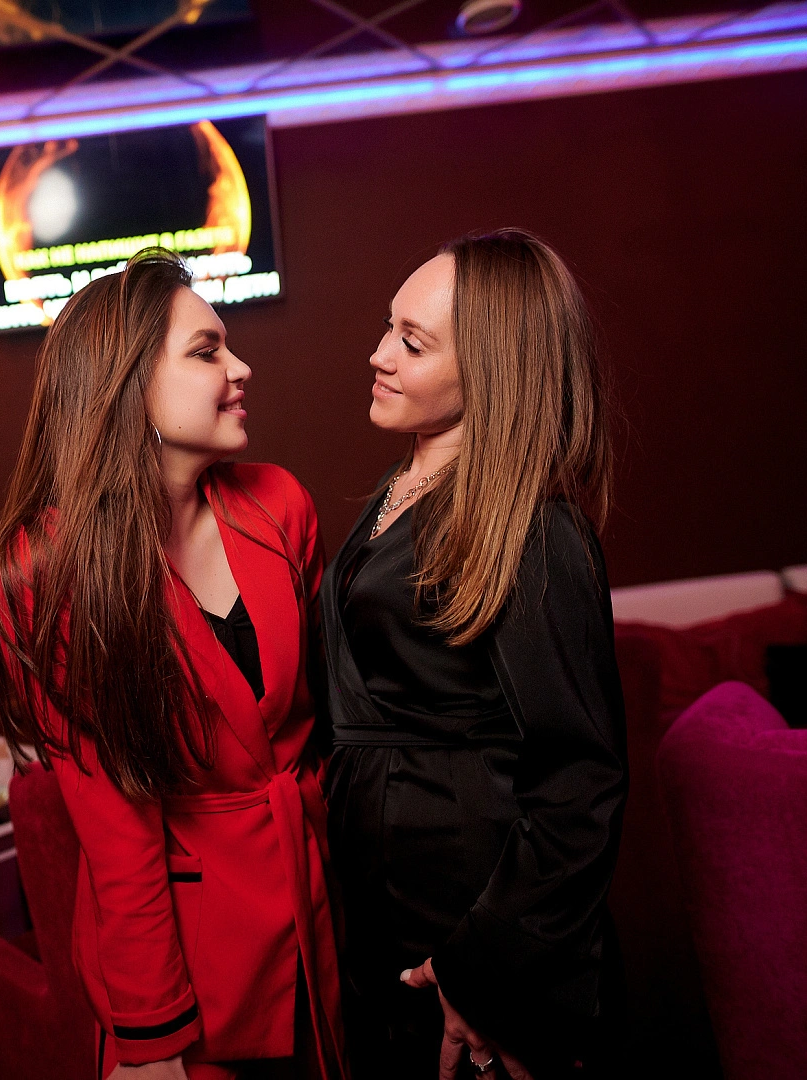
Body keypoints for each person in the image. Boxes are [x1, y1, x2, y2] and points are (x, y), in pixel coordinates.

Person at [0, 249, 347, 1080]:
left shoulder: (279, 503)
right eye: (207, 351)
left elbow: (335, 725)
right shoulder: (48, 571)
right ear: (128, 386)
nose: (240, 367)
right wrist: (153, 1039)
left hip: (323, 912)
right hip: (191, 958)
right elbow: (115, 830)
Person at [318, 230, 628, 1079]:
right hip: (382, 899)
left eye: (412, 344)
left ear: (491, 372)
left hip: (473, 904)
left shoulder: (536, 530)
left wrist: (483, 967)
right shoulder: (398, 487)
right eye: (388, 327)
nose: (378, 354)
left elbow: (580, 782)